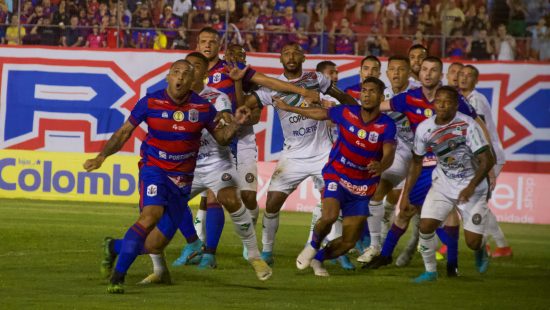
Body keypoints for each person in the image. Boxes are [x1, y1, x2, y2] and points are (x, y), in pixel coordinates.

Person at [83, 59, 257, 294]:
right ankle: (118, 278)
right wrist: (102, 156)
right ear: (168, 77)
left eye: (186, 74)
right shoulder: (150, 101)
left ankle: (113, 246)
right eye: (176, 72)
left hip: (182, 180)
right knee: (150, 215)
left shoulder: (203, 108)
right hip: (154, 169)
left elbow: (222, 138)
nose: (181, 77)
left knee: (154, 243)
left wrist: (237, 122)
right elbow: (125, 131)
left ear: (192, 81)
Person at [172, 27, 320, 265]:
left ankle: (221, 247)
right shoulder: (187, 73)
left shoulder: (231, 68)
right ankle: (199, 246)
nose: (207, 45)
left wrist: (301, 90)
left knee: (245, 198)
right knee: (192, 197)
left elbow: (267, 83)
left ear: (219, 45)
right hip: (201, 141)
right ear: (197, 44)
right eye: (203, 41)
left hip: (239, 139)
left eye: (212, 41)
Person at [140, 52, 271, 283]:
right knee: (156, 213)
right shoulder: (168, 99)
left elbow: (224, 120)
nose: (189, 69)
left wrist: (232, 122)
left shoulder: (216, 97)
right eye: (186, 66)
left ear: (203, 73)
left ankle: (254, 255)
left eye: (196, 66)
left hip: (215, 161)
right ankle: (161, 269)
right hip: (185, 165)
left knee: (230, 199)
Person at [364, 57, 484, 279]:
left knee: (449, 215)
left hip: (453, 166)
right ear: (419, 74)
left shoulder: (451, 99)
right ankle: (386, 255)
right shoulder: (409, 98)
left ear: (441, 74)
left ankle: (452, 264)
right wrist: (342, 106)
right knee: (406, 209)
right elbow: (375, 106)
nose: (428, 74)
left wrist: (487, 162)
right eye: (425, 70)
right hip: (422, 164)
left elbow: (478, 125)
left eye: (434, 70)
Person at [244, 42, 358, 268]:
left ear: (304, 57)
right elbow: (249, 103)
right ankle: (267, 251)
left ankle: (331, 251)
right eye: (286, 52)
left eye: (296, 52)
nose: (291, 56)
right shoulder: (271, 88)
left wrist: (354, 109)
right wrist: (242, 107)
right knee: (273, 202)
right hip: (293, 155)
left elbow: (341, 96)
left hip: (323, 153)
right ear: (280, 59)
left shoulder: (317, 79)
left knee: (333, 205)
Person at [277, 76, 396, 276]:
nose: (367, 95)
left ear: (381, 96)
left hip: (363, 186)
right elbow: (320, 113)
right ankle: (312, 246)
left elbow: (389, 154)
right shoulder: (347, 112)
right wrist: (290, 108)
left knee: (348, 241)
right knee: (330, 215)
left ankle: (318, 259)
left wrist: (381, 165)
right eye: (364, 90)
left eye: (372, 91)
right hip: (337, 174)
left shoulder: (387, 125)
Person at [407, 86, 494, 283]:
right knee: (426, 226)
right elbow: (417, 161)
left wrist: (471, 186)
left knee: (472, 242)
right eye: (439, 101)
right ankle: (430, 272)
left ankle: (480, 248)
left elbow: (487, 160)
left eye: (448, 102)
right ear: (433, 103)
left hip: (473, 187)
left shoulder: (468, 125)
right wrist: (407, 192)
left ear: (456, 105)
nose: (442, 106)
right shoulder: (424, 129)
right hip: (443, 184)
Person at [356, 55, 414, 264]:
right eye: (392, 69)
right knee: (377, 193)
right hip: (398, 152)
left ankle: (411, 248)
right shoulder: (383, 94)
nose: (396, 73)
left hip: (422, 156)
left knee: (421, 211)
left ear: (409, 72)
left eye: (401, 69)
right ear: (387, 73)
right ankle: (375, 246)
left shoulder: (418, 94)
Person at [458, 65, 512, 258]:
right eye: (461, 74)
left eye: (469, 76)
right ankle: (498, 245)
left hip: (489, 157)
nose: (464, 78)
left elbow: (481, 132)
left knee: (474, 201)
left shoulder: (476, 100)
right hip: (479, 157)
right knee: (473, 202)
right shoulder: (461, 99)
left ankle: (487, 244)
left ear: (476, 81)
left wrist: (488, 169)